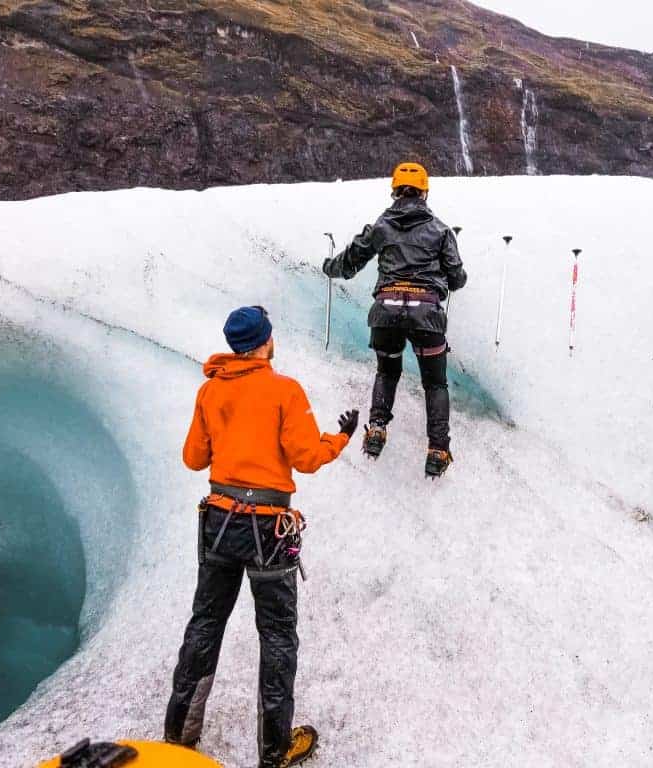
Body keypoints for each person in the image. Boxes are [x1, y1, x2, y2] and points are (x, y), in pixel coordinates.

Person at [164, 306, 358, 768]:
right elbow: (307, 458)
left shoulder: (210, 390)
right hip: (268, 527)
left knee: (206, 622)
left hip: (219, 520)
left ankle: (178, 735)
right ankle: (274, 751)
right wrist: (341, 437)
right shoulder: (283, 390)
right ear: (266, 341)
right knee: (276, 636)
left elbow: (194, 459)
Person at [321, 162, 467, 478]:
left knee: (388, 371)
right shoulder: (440, 230)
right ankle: (437, 450)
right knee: (435, 382)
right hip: (425, 314)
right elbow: (456, 278)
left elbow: (351, 261)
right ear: (424, 192)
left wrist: (329, 267)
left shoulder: (382, 226)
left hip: (386, 312)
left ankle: (376, 429)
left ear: (395, 191)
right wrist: (452, 277)